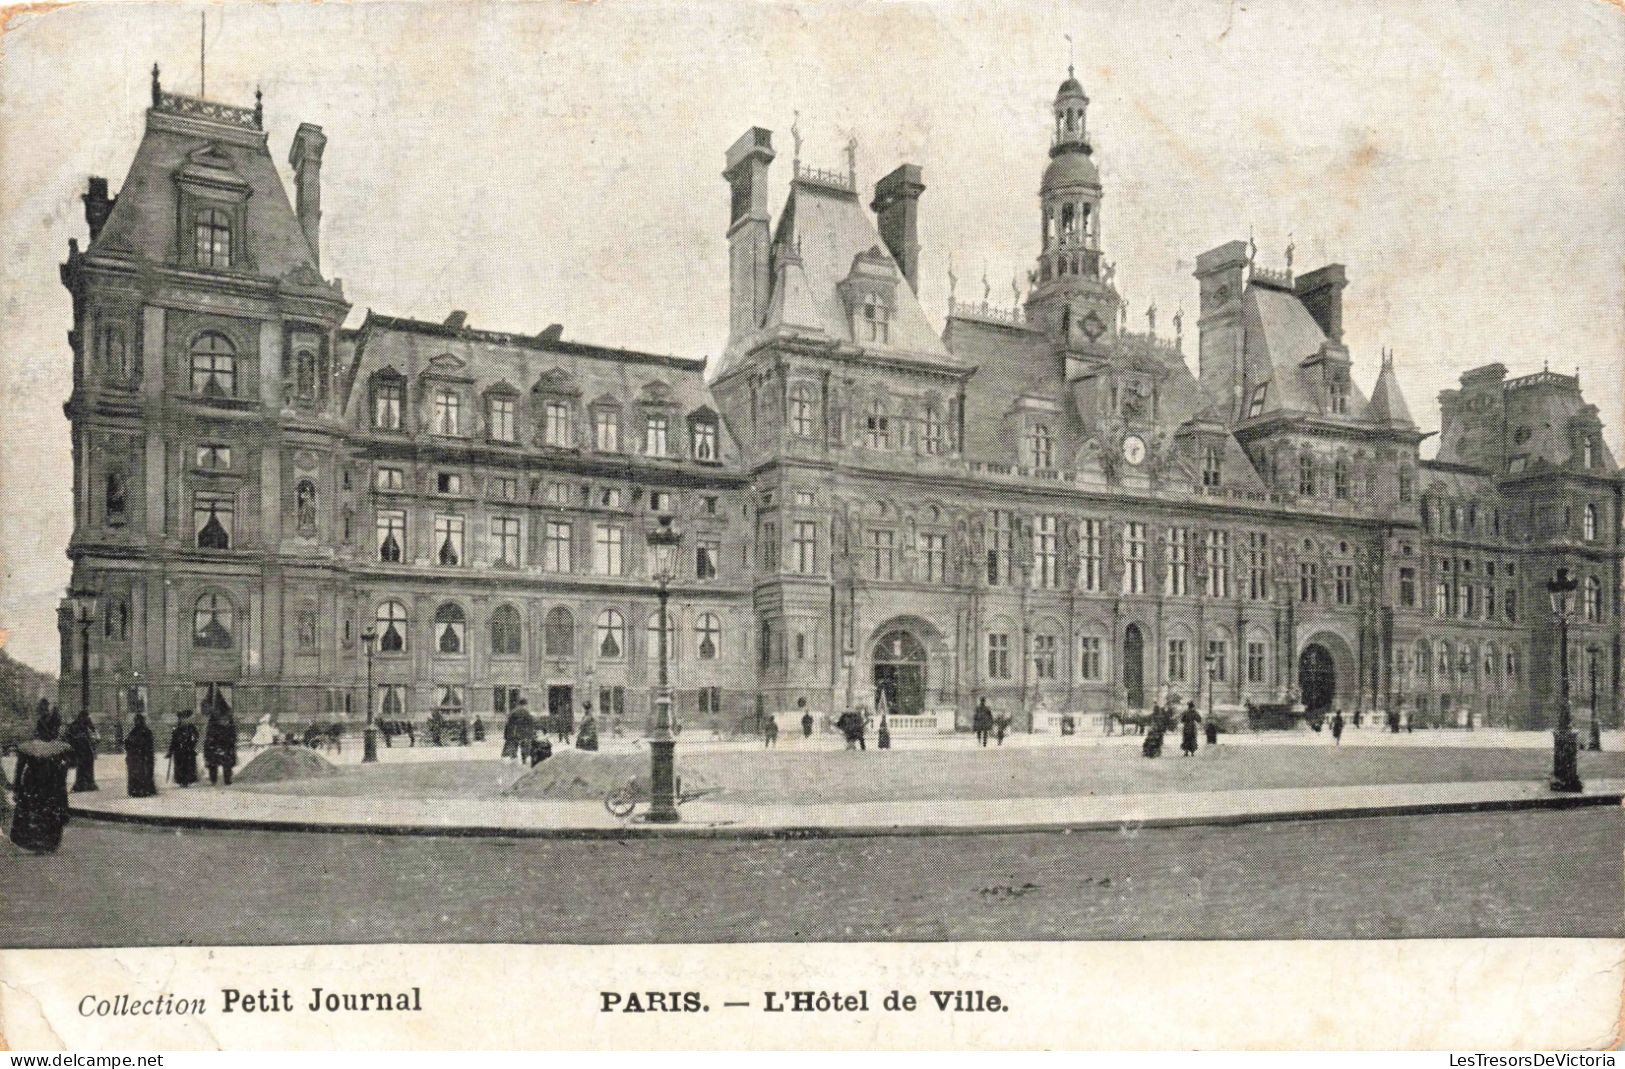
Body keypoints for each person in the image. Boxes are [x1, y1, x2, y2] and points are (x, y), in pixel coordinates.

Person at [8, 717, 72, 853]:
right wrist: (61, 780)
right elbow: (66, 766)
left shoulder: (28, 748)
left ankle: (34, 840)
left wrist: (16, 788)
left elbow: (19, 769)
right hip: (52, 784)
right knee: (50, 812)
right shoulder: (59, 747)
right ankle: (49, 842)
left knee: (34, 811)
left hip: (32, 783)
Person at [64, 708, 98, 792]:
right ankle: (81, 785)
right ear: (81, 717)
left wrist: (90, 725)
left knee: (88, 766)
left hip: (86, 749)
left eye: (87, 717)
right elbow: (69, 736)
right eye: (85, 717)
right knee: (81, 767)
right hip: (79, 749)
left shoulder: (86, 724)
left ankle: (89, 784)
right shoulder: (75, 725)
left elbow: (94, 732)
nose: (87, 719)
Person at [124, 710, 157, 798]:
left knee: (143, 774)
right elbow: (127, 743)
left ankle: (144, 790)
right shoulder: (133, 732)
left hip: (142, 757)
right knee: (137, 774)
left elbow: (149, 745)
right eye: (136, 721)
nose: (136, 722)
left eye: (138, 721)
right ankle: (137, 790)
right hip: (136, 758)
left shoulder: (146, 732)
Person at [204, 703, 238, 786]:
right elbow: (209, 737)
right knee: (213, 764)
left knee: (227, 764)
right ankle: (213, 779)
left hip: (227, 747)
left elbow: (233, 736)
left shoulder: (230, 725)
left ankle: (227, 779)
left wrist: (231, 742)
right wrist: (214, 746)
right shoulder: (212, 724)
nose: (224, 720)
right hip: (214, 747)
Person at [167, 710, 199, 788]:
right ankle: (181, 780)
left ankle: (187, 780)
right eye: (181, 718)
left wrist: (192, 744)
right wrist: (170, 751)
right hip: (179, 751)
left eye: (185, 718)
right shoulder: (177, 728)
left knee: (188, 766)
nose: (183, 720)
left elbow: (196, 737)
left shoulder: (191, 727)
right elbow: (173, 741)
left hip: (189, 750)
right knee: (180, 766)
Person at [513, 698, 535, 763]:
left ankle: (514, 760)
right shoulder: (526, 712)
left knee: (515, 747)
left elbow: (510, 723)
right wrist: (531, 733)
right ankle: (524, 760)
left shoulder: (514, 712)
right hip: (525, 733)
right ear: (525, 704)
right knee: (524, 747)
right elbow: (531, 723)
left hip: (516, 732)